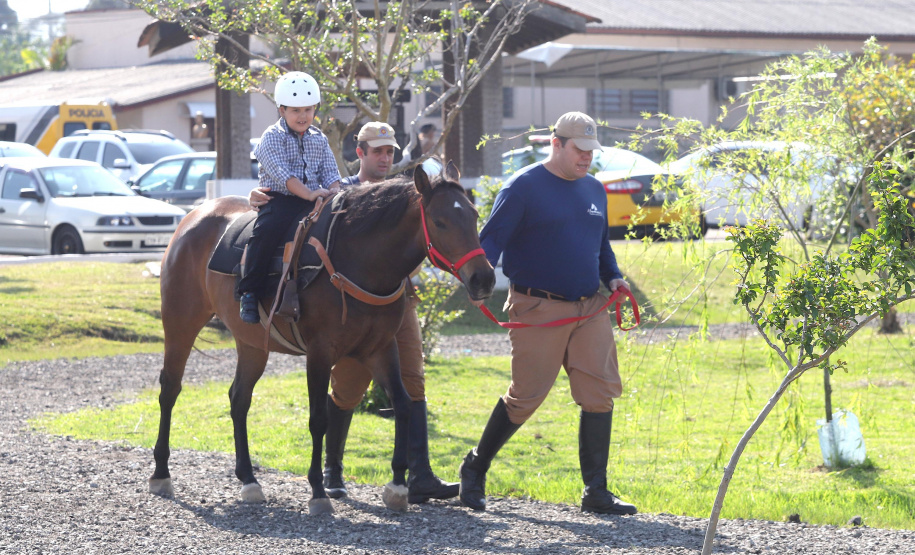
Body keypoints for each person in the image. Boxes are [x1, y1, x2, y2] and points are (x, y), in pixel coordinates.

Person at [249, 121, 459, 504]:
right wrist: (261, 195)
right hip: (350, 311)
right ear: (358, 153)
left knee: (412, 381)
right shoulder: (341, 192)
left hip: (396, 302)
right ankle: (332, 469)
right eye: (376, 151)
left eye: (390, 152)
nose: (384, 158)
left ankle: (422, 474)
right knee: (347, 390)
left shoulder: (406, 195)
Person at [458, 111, 638, 515]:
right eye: (580, 149)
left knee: (600, 393)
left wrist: (613, 277)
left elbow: (601, 245)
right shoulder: (522, 188)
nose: (587, 158)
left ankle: (596, 490)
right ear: (555, 144)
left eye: (592, 150)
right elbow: (489, 245)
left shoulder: (594, 189)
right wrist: (478, 285)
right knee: (525, 398)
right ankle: (475, 466)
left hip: (590, 307)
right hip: (538, 307)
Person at [237, 71, 341, 324]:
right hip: (280, 200)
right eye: (295, 110)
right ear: (282, 110)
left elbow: (330, 173)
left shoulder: (320, 138)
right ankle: (249, 291)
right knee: (266, 232)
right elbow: (284, 176)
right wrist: (310, 193)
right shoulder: (270, 138)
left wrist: (335, 196)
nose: (303, 116)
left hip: (316, 198)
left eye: (308, 109)